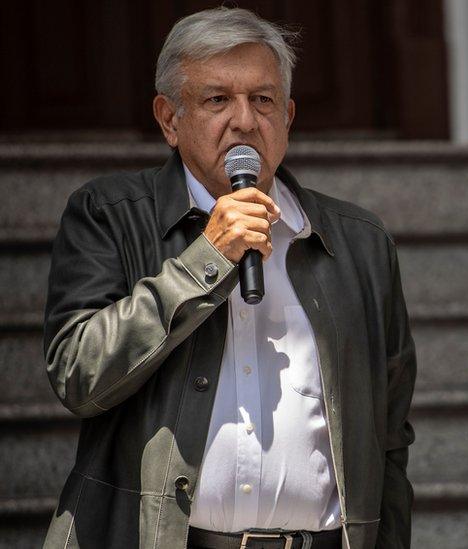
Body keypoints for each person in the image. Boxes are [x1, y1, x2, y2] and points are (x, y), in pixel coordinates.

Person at [42, 8, 415, 549]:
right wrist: (207, 259)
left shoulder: (359, 240)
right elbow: (78, 375)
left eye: (262, 100)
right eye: (218, 100)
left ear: (287, 115)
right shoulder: (107, 214)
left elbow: (389, 435)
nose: (244, 120)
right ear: (169, 119)